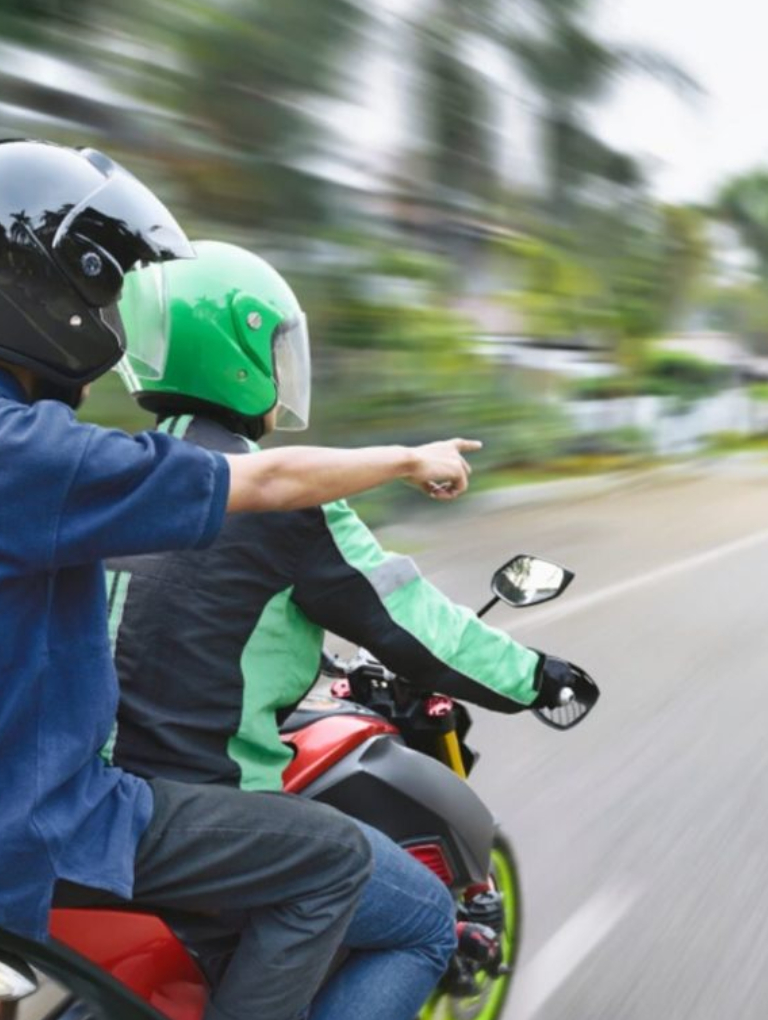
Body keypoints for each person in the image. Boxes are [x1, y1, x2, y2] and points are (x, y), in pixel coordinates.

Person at [0, 140, 485, 1020]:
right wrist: (407, 458)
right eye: (98, 289)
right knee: (336, 863)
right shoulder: (26, 456)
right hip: (49, 821)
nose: (109, 313)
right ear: (42, 298)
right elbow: (269, 482)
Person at [105, 241, 599, 1017]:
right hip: (198, 809)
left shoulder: (105, 470)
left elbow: (179, 623)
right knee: (423, 923)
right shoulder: (282, 498)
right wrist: (537, 676)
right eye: (275, 346)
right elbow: (408, 622)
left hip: (84, 797)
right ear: (239, 354)